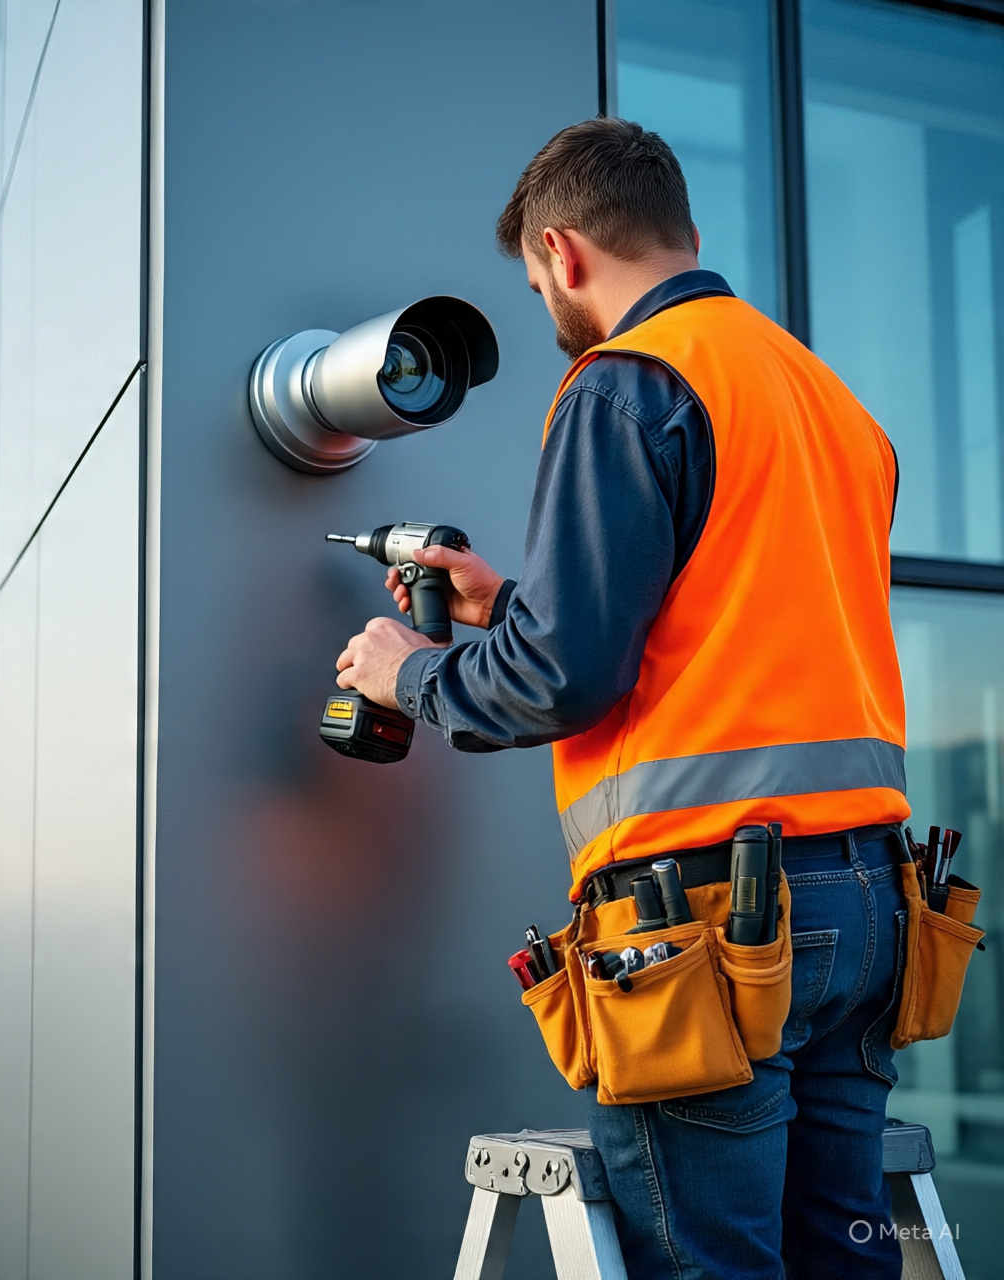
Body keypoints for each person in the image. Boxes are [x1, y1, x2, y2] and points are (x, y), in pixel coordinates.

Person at [334, 118, 911, 1279]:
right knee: (835, 1260)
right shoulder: (824, 399)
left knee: (712, 1264)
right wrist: (516, 603)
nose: (547, 299)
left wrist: (412, 671)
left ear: (560, 251)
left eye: (535, 276)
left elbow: (562, 681)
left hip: (709, 915)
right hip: (866, 903)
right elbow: (736, 617)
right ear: (684, 233)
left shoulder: (623, 384)